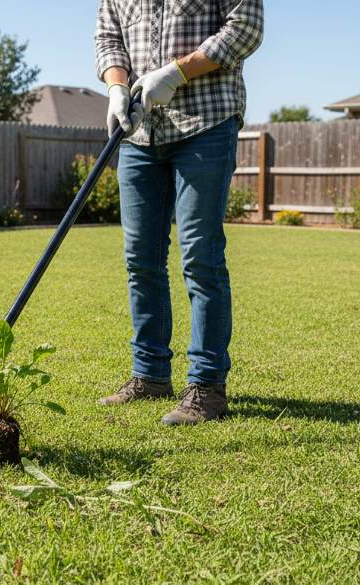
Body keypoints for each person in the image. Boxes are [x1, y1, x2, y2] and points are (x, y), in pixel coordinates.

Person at [93, 0, 264, 424]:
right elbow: (108, 39)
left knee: (200, 257)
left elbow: (246, 27)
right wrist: (116, 87)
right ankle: (149, 374)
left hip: (205, 124)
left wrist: (177, 72)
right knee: (140, 258)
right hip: (138, 131)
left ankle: (207, 386)